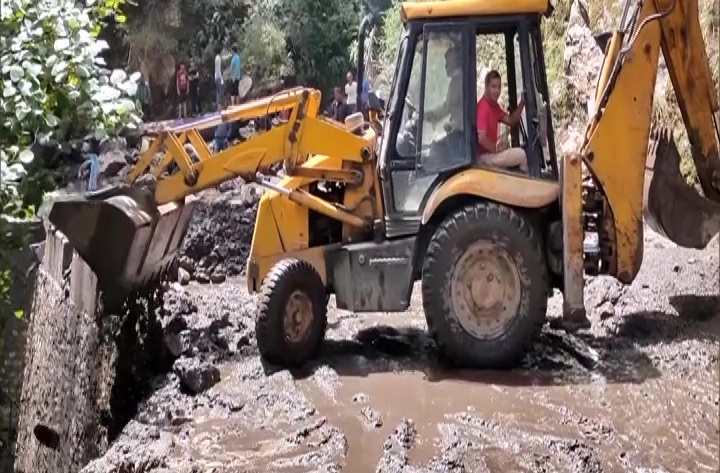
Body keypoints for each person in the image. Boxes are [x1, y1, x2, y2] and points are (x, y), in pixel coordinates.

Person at [476, 70, 528, 172]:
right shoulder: (483, 107)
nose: (497, 91)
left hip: (490, 154)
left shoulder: (494, 107)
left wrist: (522, 103)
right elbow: (481, 138)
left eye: (499, 87)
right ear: (486, 87)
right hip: (483, 158)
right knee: (521, 155)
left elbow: (511, 120)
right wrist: (496, 149)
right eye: (493, 87)